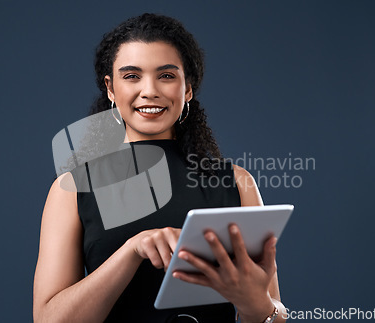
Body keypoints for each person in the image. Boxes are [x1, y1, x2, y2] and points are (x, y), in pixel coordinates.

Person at [33, 13, 287, 323]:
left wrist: (257, 305)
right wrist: (132, 251)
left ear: (188, 88)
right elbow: (49, 320)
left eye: (166, 75)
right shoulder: (72, 189)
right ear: (110, 89)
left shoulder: (236, 182)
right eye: (132, 76)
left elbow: (275, 313)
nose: (150, 90)